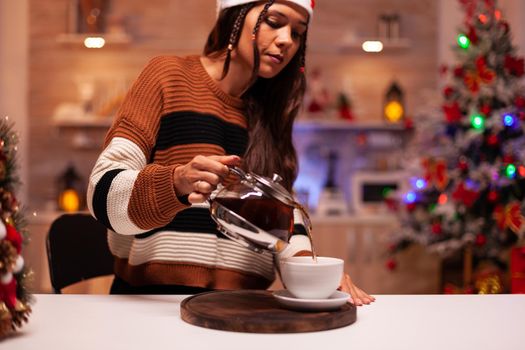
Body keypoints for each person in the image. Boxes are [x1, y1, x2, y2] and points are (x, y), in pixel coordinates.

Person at [87, 0, 374, 306]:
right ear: (234, 16)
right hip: (151, 308)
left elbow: (285, 221)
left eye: (298, 33)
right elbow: (101, 193)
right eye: (275, 21)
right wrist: (177, 182)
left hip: (242, 312)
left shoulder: (269, 116)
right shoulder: (166, 77)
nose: (287, 40)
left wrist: (312, 269)